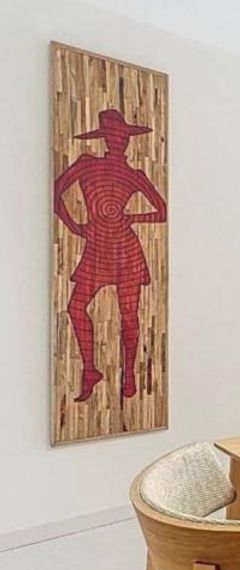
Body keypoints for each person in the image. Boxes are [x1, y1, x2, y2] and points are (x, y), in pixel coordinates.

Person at [54, 109, 167, 402]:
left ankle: (129, 373)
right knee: (76, 307)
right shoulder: (86, 164)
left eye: (123, 136)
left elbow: (162, 211)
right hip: (97, 247)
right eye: (114, 135)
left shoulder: (134, 175)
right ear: (105, 138)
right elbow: (56, 192)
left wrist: (133, 218)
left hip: (127, 249)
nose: (120, 140)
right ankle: (90, 369)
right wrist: (74, 226)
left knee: (128, 314)